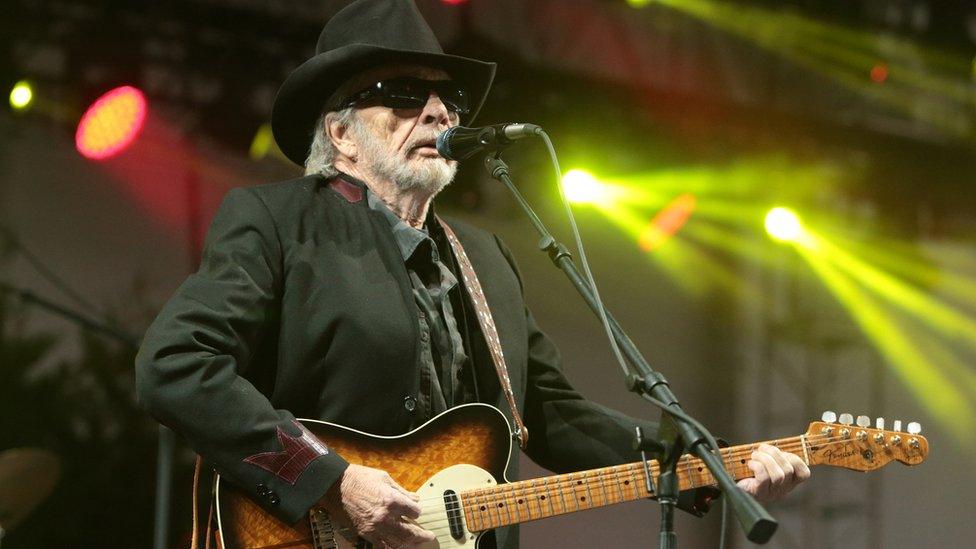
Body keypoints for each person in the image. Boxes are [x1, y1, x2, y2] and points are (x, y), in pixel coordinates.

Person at [135, 1, 809, 547]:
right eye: (403, 94)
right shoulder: (277, 221)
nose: (439, 113)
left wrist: (715, 465)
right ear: (340, 134)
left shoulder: (484, 259)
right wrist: (332, 481)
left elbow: (554, 416)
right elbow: (176, 365)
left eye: (449, 98)